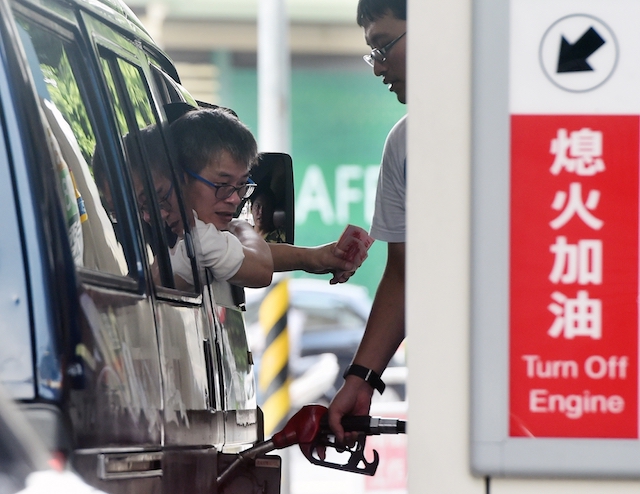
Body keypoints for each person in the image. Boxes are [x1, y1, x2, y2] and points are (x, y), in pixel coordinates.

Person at [327, 0, 407, 443]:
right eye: (371, 52)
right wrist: (360, 379)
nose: (378, 68)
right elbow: (403, 273)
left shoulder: (524, 122)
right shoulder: (403, 144)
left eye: (384, 46)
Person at [170, 107, 360, 285]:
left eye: (241, 185)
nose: (235, 199)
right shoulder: (198, 236)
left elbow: (242, 253)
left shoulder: (190, 231)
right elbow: (260, 266)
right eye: (222, 184)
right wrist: (239, 226)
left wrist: (313, 257)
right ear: (180, 178)